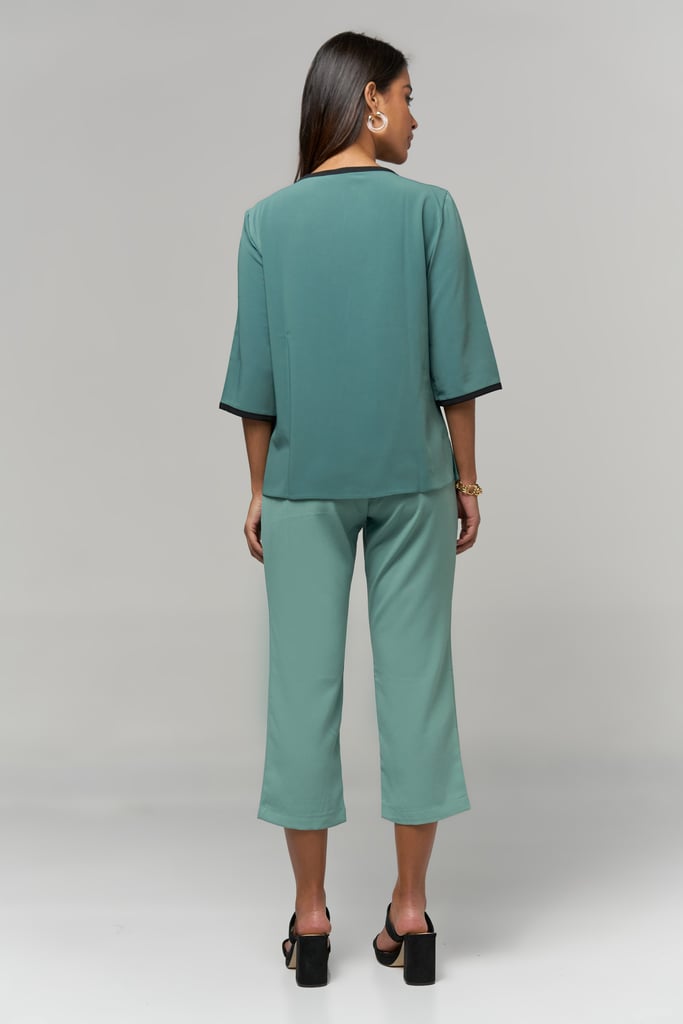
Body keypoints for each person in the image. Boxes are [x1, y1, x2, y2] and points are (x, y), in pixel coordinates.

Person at [218, 30, 502, 987]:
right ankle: (410, 912)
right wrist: (467, 482)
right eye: (409, 96)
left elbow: (255, 382)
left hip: (301, 485)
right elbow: (456, 368)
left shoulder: (266, 221)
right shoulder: (429, 211)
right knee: (417, 685)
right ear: (369, 99)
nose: (417, 116)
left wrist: (258, 490)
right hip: (413, 480)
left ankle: (309, 921)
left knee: (301, 692)